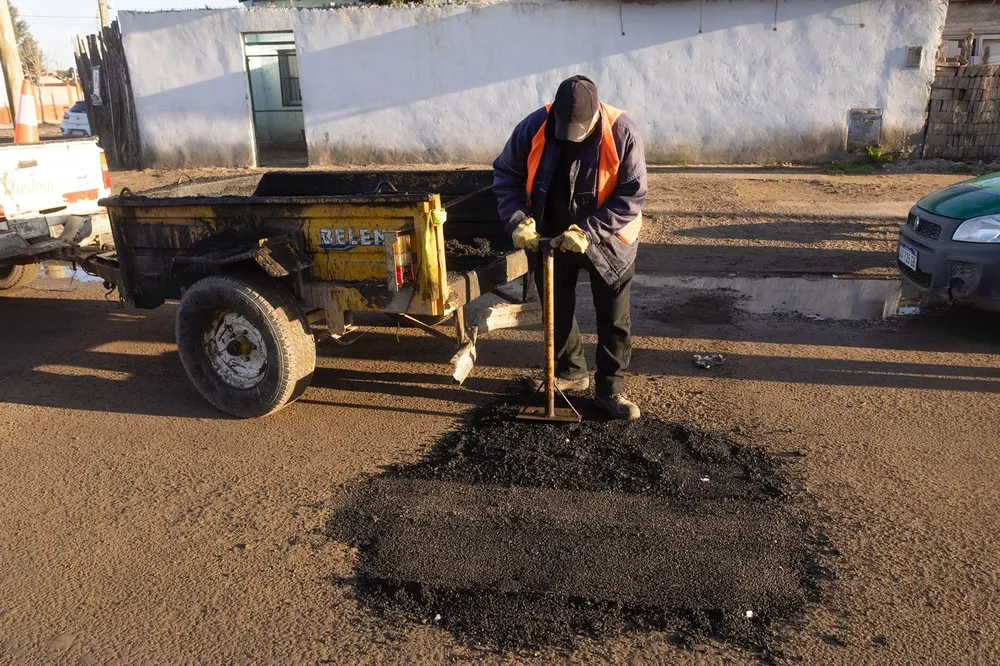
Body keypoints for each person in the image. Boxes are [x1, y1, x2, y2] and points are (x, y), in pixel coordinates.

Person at [493, 75, 647, 420]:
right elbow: (506, 174)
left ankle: (610, 390)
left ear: (595, 117)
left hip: (608, 239)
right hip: (551, 235)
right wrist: (518, 220)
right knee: (555, 308)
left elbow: (632, 196)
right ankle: (570, 372)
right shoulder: (535, 125)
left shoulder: (622, 132)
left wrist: (589, 231)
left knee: (613, 317)